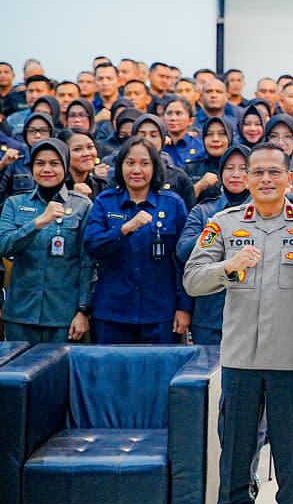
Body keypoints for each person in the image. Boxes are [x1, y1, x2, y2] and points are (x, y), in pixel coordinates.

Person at [185, 142, 293, 504]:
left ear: (290, 178)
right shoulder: (224, 223)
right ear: (246, 178)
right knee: (235, 451)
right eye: (257, 172)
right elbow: (193, 280)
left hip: (292, 359)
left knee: (292, 453)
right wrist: (227, 266)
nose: (266, 179)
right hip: (241, 360)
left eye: (274, 172)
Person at [83, 135, 190, 344]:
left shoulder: (173, 204)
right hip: (112, 312)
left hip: (160, 312)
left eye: (144, 163)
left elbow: (183, 261)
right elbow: (92, 245)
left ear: (155, 167)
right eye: (130, 163)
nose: (137, 170)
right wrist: (123, 230)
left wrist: (183, 307)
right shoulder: (105, 201)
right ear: (120, 166)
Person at [0, 138, 94, 343]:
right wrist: (38, 222)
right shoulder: (14, 203)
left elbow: (87, 263)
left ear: (65, 167)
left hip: (63, 315)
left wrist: (83, 311)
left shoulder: (82, 205)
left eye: (54, 163)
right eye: (40, 163)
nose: (47, 169)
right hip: (21, 313)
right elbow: (4, 246)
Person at [176, 144, 250, 347]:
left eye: (243, 168)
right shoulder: (204, 211)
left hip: (252, 317)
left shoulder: (265, 213)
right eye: (229, 168)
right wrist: (216, 229)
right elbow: (183, 251)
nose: (236, 174)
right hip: (210, 316)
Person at [59, 128, 110, 199]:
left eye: (90, 147)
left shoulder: (101, 185)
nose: (86, 153)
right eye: (77, 149)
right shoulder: (54, 185)